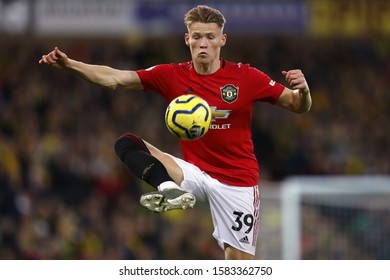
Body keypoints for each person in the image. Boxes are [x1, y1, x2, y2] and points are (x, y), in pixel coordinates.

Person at [39, 5, 311, 260]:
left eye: (210, 37)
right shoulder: (172, 75)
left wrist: (305, 91)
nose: (203, 43)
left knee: (239, 268)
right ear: (187, 39)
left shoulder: (246, 77)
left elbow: (297, 105)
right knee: (127, 143)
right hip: (193, 172)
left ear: (222, 40)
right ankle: (167, 187)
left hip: (237, 182)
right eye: (197, 37)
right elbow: (114, 78)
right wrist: (70, 64)